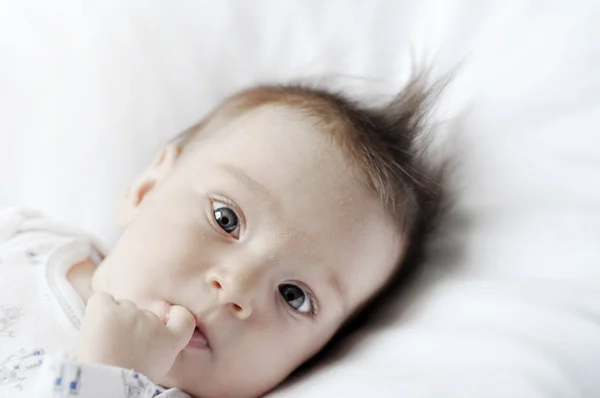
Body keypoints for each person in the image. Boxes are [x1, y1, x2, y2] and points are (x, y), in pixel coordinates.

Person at [0, 77, 444, 398]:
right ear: (146, 189)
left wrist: (107, 376)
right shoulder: (26, 241)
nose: (236, 286)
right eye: (226, 219)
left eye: (294, 296)